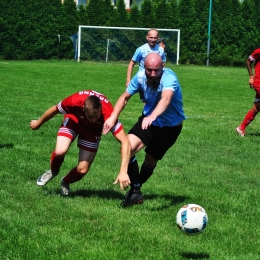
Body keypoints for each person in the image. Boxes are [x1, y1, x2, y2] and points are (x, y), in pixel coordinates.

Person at [103, 53, 186, 206]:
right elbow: (124, 97)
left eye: (156, 70)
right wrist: (113, 116)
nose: (153, 74)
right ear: (144, 68)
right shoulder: (140, 77)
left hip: (170, 128)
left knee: (150, 160)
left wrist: (153, 116)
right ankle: (135, 191)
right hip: (148, 122)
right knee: (126, 149)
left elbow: (166, 98)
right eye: (149, 70)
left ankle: (136, 190)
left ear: (162, 66)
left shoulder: (169, 78)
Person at [30, 90, 131, 196]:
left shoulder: (108, 113)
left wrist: (123, 171)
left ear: (100, 109)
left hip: (93, 131)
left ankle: (66, 182)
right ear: (83, 108)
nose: (93, 119)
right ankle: (53, 171)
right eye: (90, 116)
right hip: (74, 119)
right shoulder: (74, 101)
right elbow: (55, 109)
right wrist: (38, 122)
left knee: (82, 170)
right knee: (60, 151)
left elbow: (125, 142)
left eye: (96, 116)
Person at [126, 29, 166, 101]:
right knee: (146, 102)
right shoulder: (140, 49)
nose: (153, 40)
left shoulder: (161, 50)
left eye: (155, 38)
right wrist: (128, 80)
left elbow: (163, 65)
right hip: (144, 80)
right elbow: (131, 64)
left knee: (158, 101)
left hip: (157, 80)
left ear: (158, 38)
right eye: (151, 37)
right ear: (147, 37)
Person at [236, 48, 260, 137]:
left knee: (256, 108)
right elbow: (248, 61)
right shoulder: (258, 51)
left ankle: (241, 128)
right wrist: (251, 76)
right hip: (259, 82)